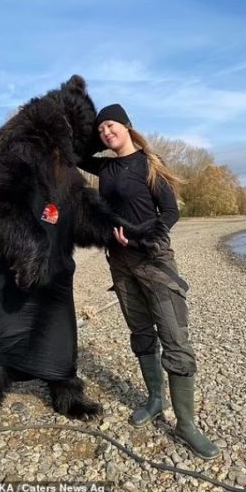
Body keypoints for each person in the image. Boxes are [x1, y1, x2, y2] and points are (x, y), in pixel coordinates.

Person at [79, 104, 219, 459]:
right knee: (140, 332)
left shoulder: (150, 163)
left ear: (126, 125)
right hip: (119, 263)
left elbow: (170, 212)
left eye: (110, 125)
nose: (106, 133)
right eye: (100, 131)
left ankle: (186, 424)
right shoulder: (105, 166)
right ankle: (155, 399)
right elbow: (74, 153)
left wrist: (142, 238)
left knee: (175, 339)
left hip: (153, 259)